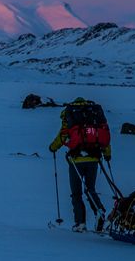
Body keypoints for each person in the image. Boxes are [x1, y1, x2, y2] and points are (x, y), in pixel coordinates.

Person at [48, 97, 112, 232]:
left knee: (76, 193)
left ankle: (80, 223)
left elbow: (62, 136)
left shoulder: (71, 116)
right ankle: (99, 212)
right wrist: (107, 154)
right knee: (90, 189)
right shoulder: (94, 117)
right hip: (94, 159)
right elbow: (104, 138)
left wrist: (53, 147)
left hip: (76, 161)